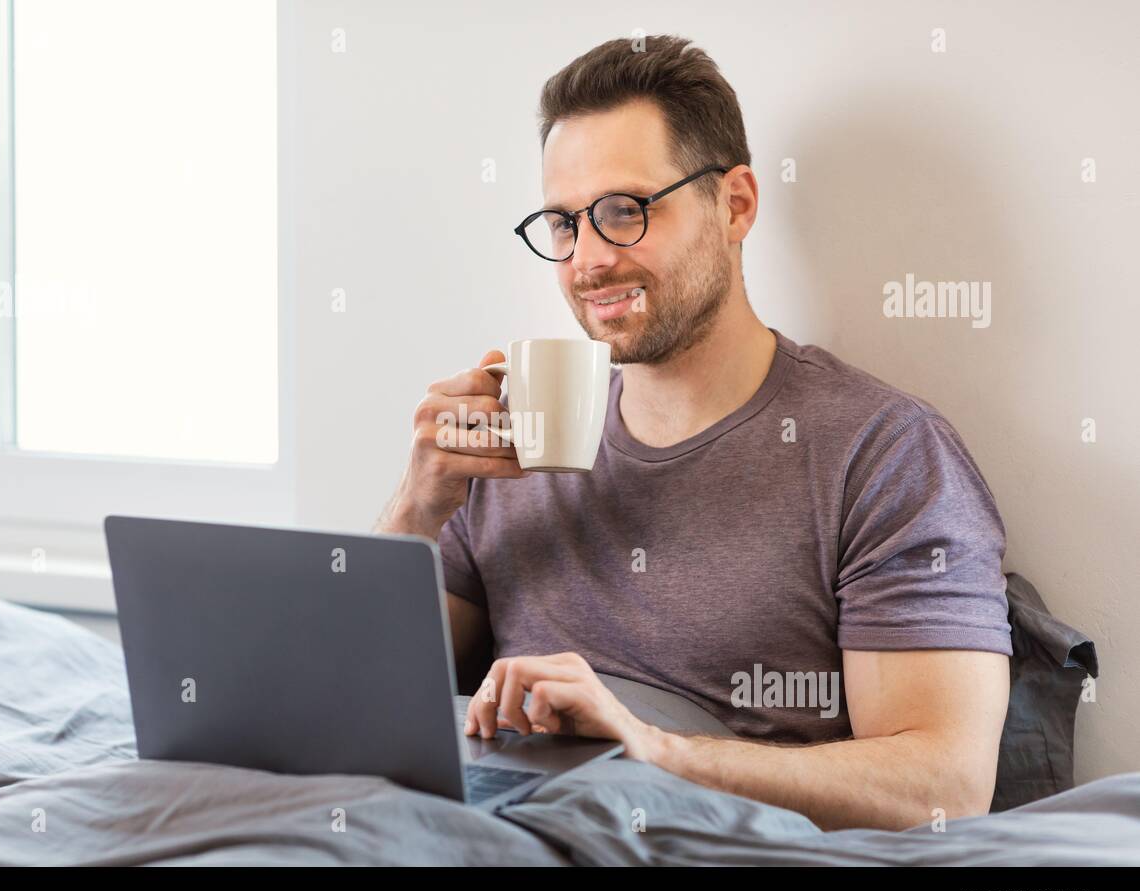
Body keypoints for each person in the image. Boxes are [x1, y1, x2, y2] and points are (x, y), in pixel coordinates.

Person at [375, 36, 1010, 831]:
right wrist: (415, 509)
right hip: (490, 832)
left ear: (735, 204)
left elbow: (941, 789)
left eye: (623, 212)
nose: (589, 261)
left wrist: (650, 751)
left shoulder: (880, 454)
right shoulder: (512, 449)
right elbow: (358, 706)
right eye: (564, 224)